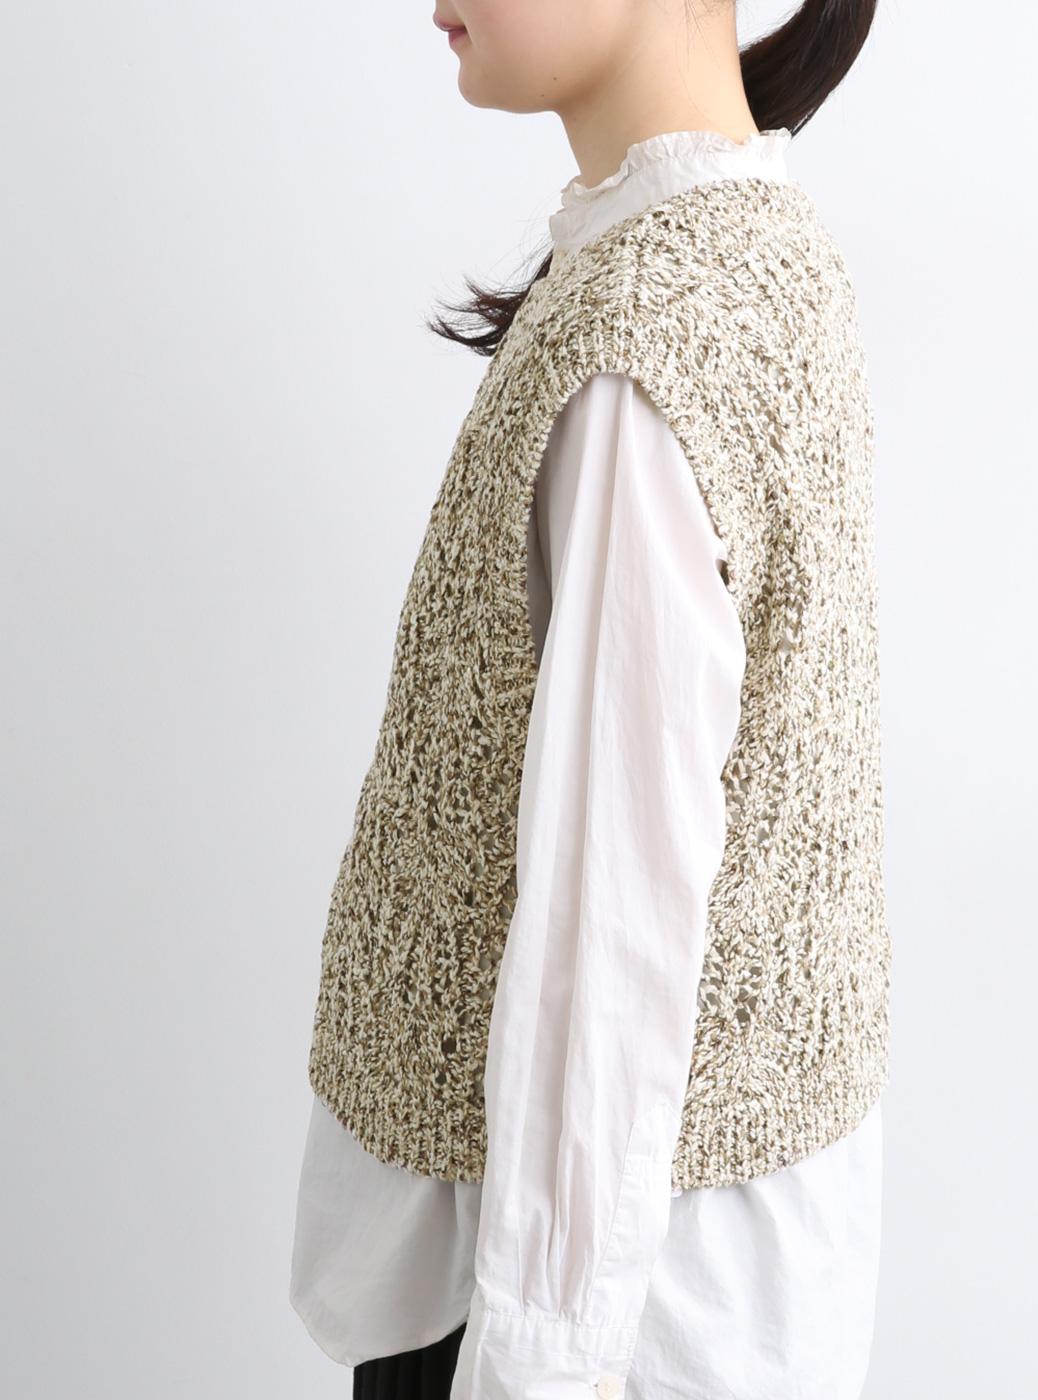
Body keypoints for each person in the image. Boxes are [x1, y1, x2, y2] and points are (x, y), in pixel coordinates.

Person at [291, 4, 891, 1399]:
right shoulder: (757, 247)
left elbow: (607, 945)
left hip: (558, 1309)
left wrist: (538, 1365)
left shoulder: (643, 344)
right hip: (675, 1272)